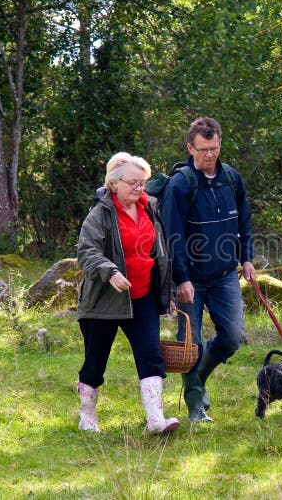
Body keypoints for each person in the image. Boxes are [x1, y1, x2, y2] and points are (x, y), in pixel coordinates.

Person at [76, 152, 179, 434]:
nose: (139, 188)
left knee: (151, 356)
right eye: (133, 183)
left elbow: (161, 253)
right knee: (95, 361)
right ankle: (87, 417)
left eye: (143, 183)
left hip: (142, 296)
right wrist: (110, 271)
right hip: (104, 301)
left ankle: (156, 420)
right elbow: (86, 252)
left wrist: (165, 290)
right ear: (114, 184)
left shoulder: (149, 208)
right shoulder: (100, 214)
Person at [161, 116, 255, 423]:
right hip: (191, 281)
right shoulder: (180, 184)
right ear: (190, 147)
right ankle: (196, 409)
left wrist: (247, 258)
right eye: (203, 149)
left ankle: (198, 380)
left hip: (226, 274)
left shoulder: (232, 178)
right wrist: (182, 279)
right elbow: (172, 235)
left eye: (214, 148)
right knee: (192, 345)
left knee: (233, 337)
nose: (209, 155)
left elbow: (244, 221)